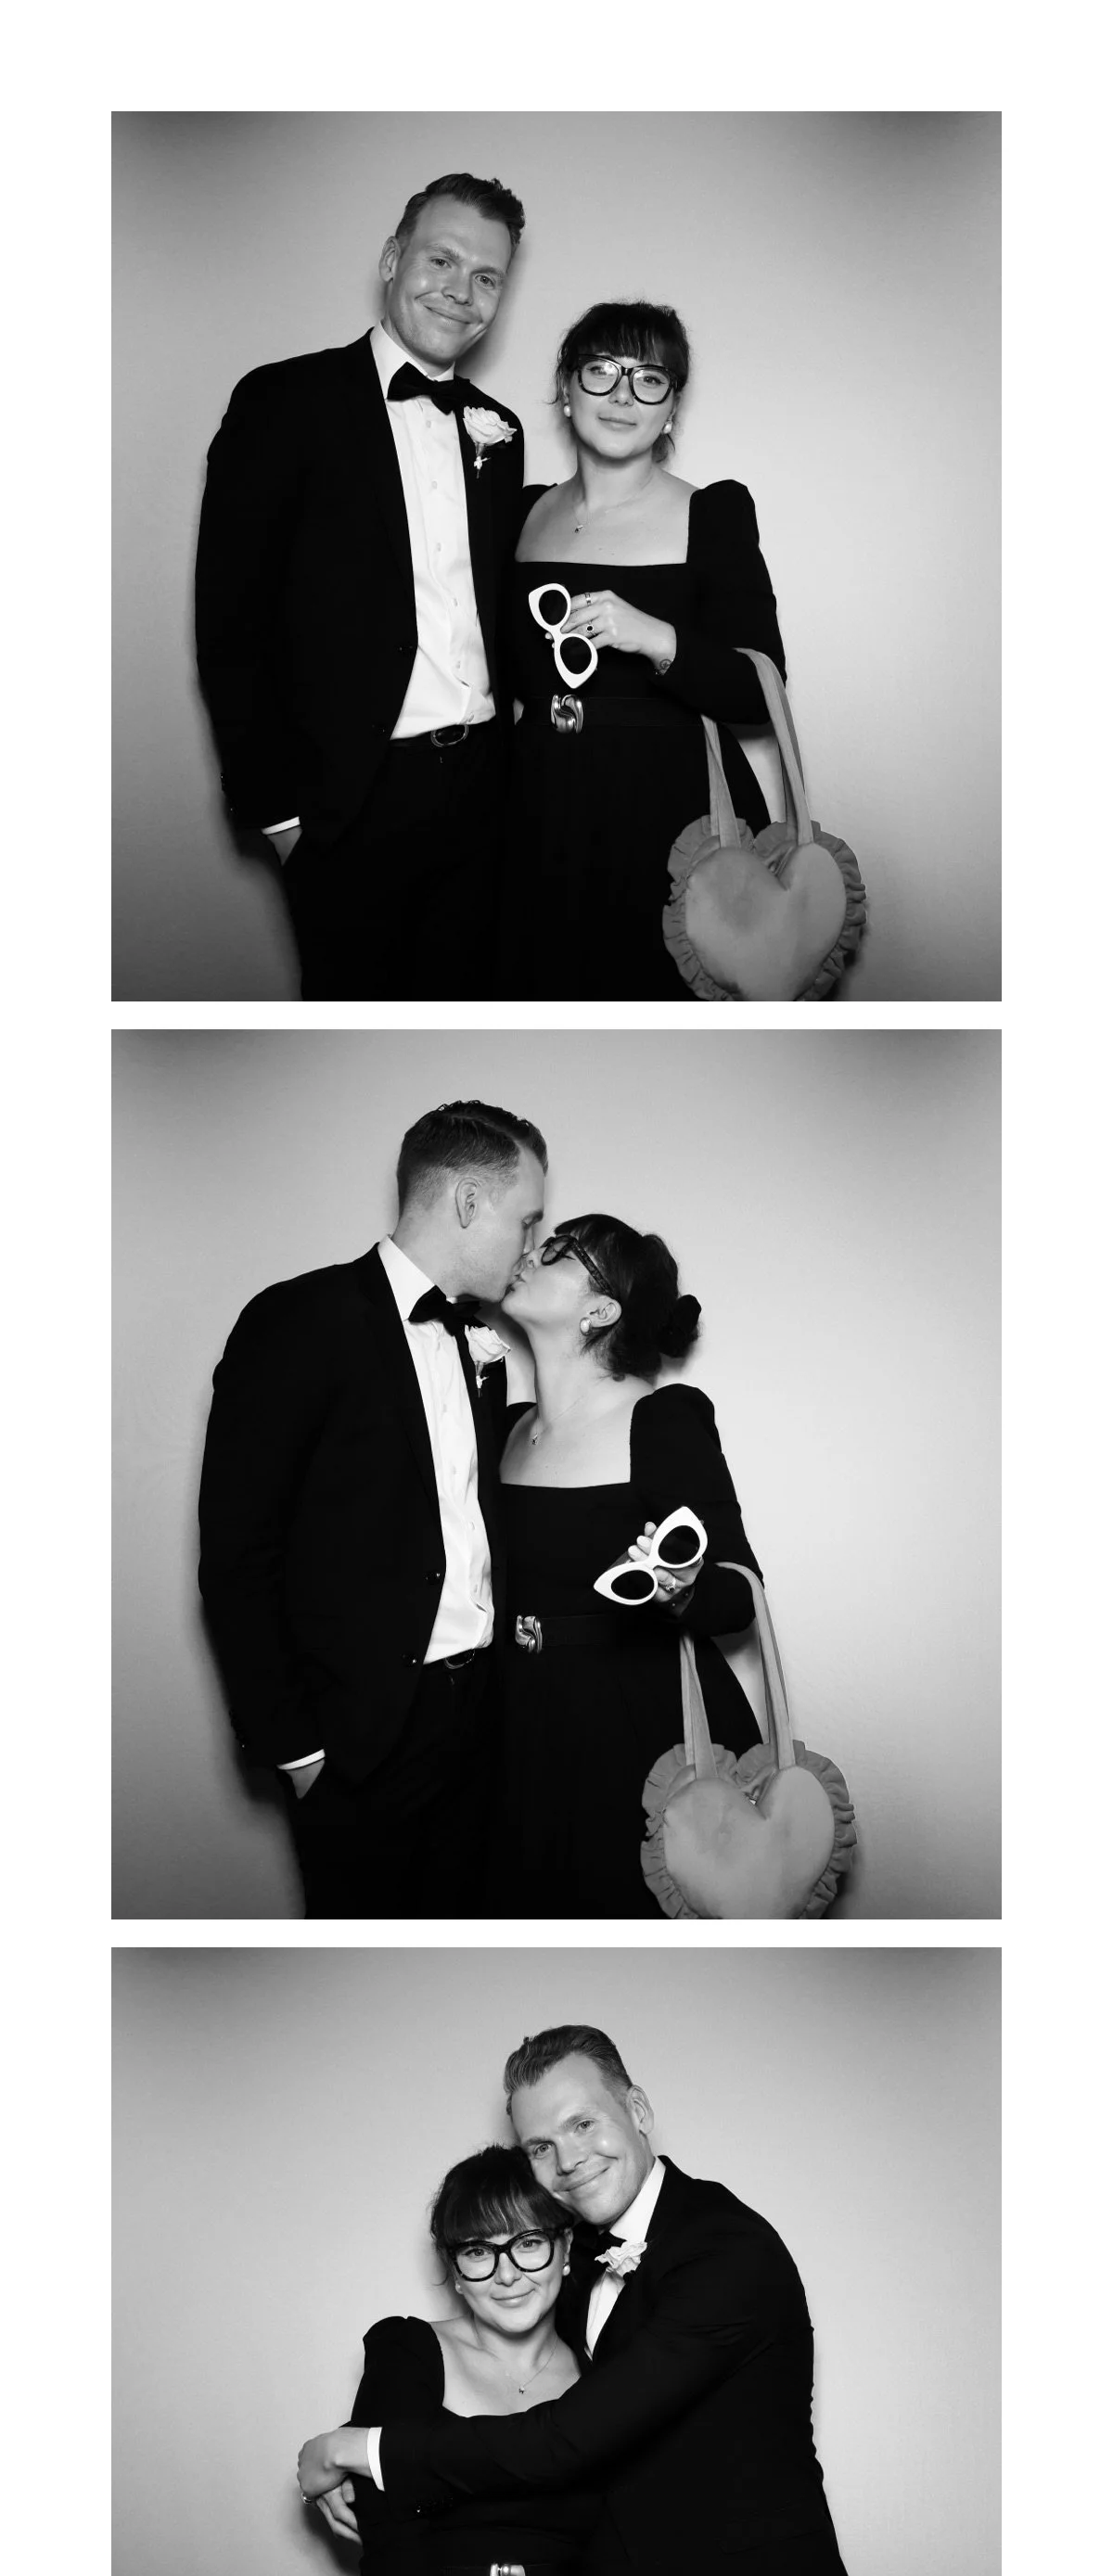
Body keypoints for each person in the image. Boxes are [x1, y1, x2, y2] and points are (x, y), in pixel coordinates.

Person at [300, 2025, 875, 2576]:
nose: (567, 2160)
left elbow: (563, 2444)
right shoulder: (572, 2282)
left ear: (636, 2110)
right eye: (539, 2145)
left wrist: (347, 2448)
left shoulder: (726, 2254)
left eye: (583, 2124)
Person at [197, 1101, 546, 1916]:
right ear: (468, 1202)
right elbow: (238, 1556)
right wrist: (300, 1752)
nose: (530, 1247)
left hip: (477, 1726)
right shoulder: (297, 1321)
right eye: (526, 1222)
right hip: (359, 1742)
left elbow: (461, 1523)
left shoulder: (480, 1344)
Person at [195, 172, 526, 1001]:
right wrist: (281, 820)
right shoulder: (282, 401)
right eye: (441, 260)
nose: (462, 292)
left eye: (487, 277)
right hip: (351, 804)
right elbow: (231, 626)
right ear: (391, 259)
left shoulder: (501, 429)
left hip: (485, 790)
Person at [318, 2148, 623, 2576]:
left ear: (567, 2247)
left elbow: (621, 2566)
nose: (508, 2272)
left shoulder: (613, 2382)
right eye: (479, 2251)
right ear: (453, 2268)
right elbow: (394, 2543)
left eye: (530, 2243)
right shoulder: (407, 2351)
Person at [497, 300, 787, 998]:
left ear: (671, 407)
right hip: (534, 813)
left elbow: (759, 692)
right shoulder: (517, 509)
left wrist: (653, 637)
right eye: (601, 371)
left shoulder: (713, 512)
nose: (623, 395)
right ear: (566, 391)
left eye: (649, 378)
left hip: (668, 818)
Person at [490, 1213, 762, 1916]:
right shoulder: (498, 1424)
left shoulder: (663, 1420)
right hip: (513, 1729)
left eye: (558, 1252)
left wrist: (678, 1589)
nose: (531, 1253)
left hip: (633, 1734)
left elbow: (739, 1595)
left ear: (599, 1310)